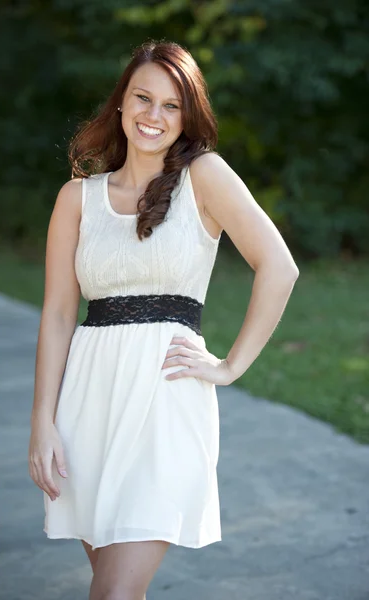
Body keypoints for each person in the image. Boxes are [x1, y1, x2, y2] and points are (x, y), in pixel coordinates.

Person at [28, 39, 299, 600]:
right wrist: (42, 422)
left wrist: (229, 366)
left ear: (188, 114)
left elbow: (279, 266)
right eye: (142, 98)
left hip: (166, 404)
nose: (154, 116)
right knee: (116, 590)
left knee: (114, 594)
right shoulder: (77, 199)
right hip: (88, 406)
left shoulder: (205, 176)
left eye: (171, 105)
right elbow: (57, 314)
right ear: (120, 104)